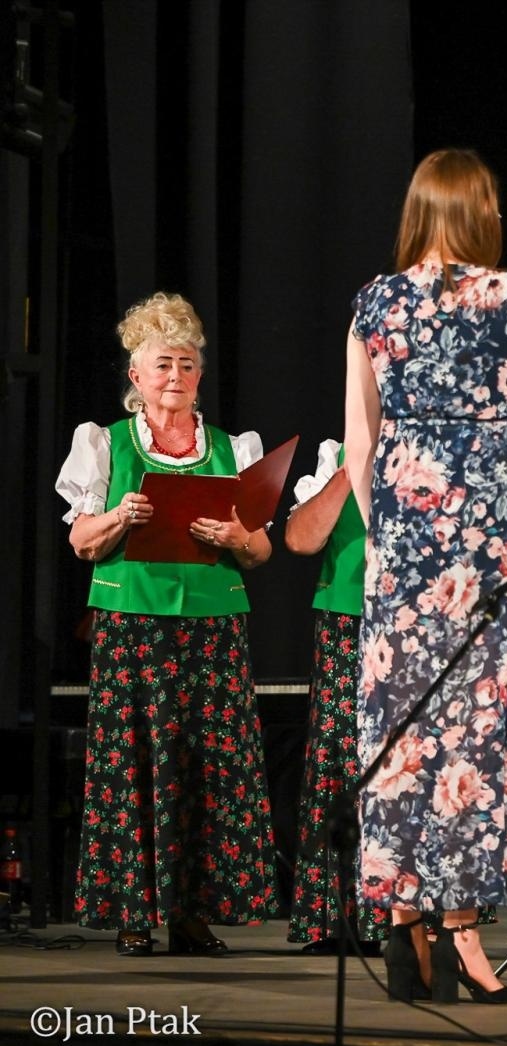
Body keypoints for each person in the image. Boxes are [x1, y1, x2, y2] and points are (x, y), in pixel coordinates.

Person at [345, 148, 507, 1005]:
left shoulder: (374, 299)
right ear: (482, 212)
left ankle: (406, 937)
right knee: (488, 727)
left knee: (403, 726)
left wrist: (388, 539)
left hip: (406, 529)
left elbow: (359, 444)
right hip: (498, 527)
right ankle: (465, 940)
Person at [55, 292, 277, 958]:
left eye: (185, 364)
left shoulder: (235, 447)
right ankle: (134, 913)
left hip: (213, 627)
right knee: (134, 764)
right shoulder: (105, 442)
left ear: (200, 375)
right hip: (133, 626)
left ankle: (191, 915)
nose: (174, 376)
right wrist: (121, 515)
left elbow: (261, 550)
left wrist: (236, 532)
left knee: (207, 769)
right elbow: (80, 541)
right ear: (136, 376)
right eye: (161, 365)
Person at [283, 440, 386, 954]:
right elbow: (300, 540)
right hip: (348, 622)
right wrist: (350, 468)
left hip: (422, 623)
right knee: (340, 766)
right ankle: (336, 917)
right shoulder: (337, 454)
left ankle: (412, 920)